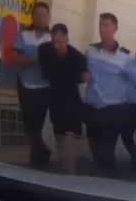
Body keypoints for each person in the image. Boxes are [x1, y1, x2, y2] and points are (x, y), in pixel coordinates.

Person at [83, 13, 136, 176]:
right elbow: (81, 73)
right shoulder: (90, 51)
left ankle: (112, 179)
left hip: (113, 110)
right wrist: (82, 77)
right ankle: (103, 175)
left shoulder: (125, 57)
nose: (102, 28)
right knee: (94, 148)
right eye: (100, 24)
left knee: (107, 149)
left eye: (106, 25)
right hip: (91, 108)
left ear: (115, 29)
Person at [38, 24, 88, 174]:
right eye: (54, 41)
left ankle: (70, 175)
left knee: (70, 139)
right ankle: (63, 172)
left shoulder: (77, 57)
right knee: (59, 139)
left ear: (67, 39)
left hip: (72, 103)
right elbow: (45, 73)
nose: (56, 45)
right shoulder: (45, 51)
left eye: (60, 42)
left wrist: (81, 78)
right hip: (55, 101)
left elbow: (83, 77)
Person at [12, 1, 52, 166]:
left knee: (37, 123)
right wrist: (34, 60)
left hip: (44, 88)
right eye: (37, 15)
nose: (40, 18)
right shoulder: (23, 35)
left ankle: (36, 159)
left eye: (43, 16)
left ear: (48, 18)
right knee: (29, 124)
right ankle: (40, 154)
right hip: (25, 85)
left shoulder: (52, 38)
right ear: (32, 17)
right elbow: (15, 59)